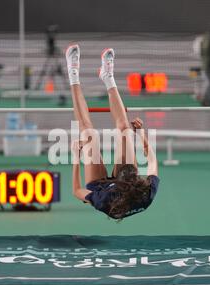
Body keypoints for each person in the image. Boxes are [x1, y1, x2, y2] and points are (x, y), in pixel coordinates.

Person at [66, 44, 159, 220]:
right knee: (125, 129)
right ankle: (107, 77)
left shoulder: (104, 200)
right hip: (126, 188)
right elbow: (152, 160)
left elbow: (76, 191)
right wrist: (141, 135)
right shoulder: (147, 193)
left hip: (99, 186)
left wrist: (76, 157)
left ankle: (72, 72)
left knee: (88, 133)